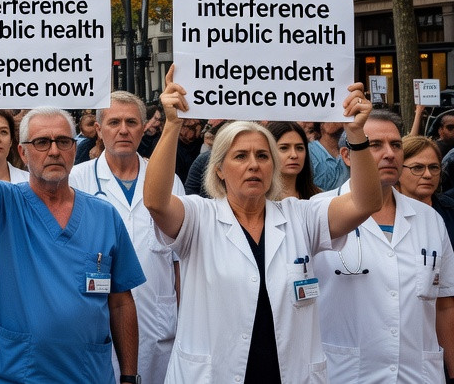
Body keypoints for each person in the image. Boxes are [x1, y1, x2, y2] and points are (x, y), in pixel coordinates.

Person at [142, 67, 381, 383]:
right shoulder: (199, 218)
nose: (253, 164)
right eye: (240, 156)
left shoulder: (301, 217)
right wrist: (172, 124)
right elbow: (156, 201)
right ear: (220, 170)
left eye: (263, 156)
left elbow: (366, 203)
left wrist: (356, 135)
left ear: (273, 167)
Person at [0, 56, 143, 384]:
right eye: (42, 143)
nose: (54, 151)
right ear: (23, 151)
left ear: (75, 149)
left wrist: (129, 376)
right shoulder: (4, 203)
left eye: (63, 142)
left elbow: (120, 303)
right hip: (16, 374)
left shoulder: (105, 217)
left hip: (88, 374)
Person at [314, 110, 454, 383]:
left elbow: (444, 305)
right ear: (346, 155)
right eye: (375, 145)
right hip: (347, 373)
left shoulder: (429, 219)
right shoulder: (318, 213)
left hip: (418, 374)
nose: (389, 153)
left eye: (396, 144)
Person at [69, 91, 183, 384]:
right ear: (98, 128)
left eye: (132, 122)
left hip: (159, 327)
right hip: (97, 325)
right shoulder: (76, 180)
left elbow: (181, 260)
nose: (123, 130)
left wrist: (186, 320)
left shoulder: (168, 181)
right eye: (114, 122)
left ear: (144, 128)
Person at [398, 135, 454, 244]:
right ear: (398, 170)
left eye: (434, 167)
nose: (428, 175)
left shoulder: (450, 211)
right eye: (418, 168)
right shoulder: (382, 212)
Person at [270, 121, 320, 200]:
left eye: (299, 148)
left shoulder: (318, 198)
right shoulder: (257, 199)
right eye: (284, 148)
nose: (294, 155)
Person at [311, 121, 351, 191]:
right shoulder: (310, 151)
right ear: (321, 125)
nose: (336, 121)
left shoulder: (350, 151)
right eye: (329, 119)